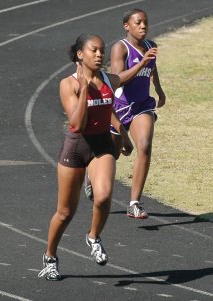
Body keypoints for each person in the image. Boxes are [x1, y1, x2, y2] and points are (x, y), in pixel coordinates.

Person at [38, 33, 133, 281]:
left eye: (102, 50)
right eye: (94, 50)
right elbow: (77, 124)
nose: (100, 55)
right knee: (65, 212)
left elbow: (112, 96)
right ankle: (50, 257)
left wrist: (122, 133)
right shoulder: (68, 85)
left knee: (103, 197)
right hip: (75, 148)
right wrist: (83, 91)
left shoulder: (108, 80)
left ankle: (93, 237)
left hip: (101, 146)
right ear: (80, 54)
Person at [85, 8, 166, 219]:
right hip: (118, 108)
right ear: (126, 26)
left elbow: (153, 68)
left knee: (144, 146)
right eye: (138, 22)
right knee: (112, 155)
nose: (143, 26)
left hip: (142, 106)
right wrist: (142, 62)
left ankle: (134, 203)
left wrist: (158, 88)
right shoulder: (120, 48)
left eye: (145, 22)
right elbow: (118, 78)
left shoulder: (151, 46)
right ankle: (92, 176)